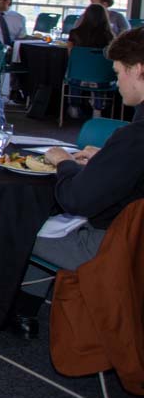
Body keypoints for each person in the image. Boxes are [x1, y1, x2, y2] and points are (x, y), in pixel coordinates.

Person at [38, 28, 144, 270]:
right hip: (133, 240)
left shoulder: (133, 137)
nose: (117, 83)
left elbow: (76, 200)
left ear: (137, 69)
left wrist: (64, 162)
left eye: (118, 73)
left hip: (115, 245)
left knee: (13, 230)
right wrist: (106, 159)